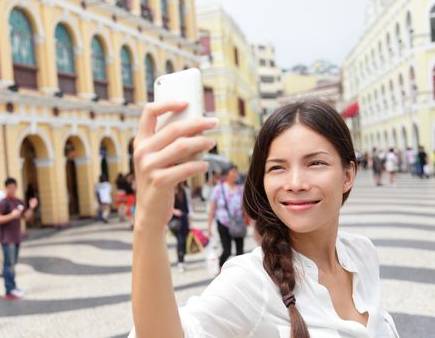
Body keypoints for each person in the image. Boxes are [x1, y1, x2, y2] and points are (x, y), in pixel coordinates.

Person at [130, 100, 399, 337]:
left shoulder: (362, 253)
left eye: (315, 163)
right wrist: (148, 225)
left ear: (348, 175)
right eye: (277, 167)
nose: (295, 183)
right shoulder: (251, 280)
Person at [0, 178, 38, 299]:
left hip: (16, 237)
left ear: (16, 187)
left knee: (13, 264)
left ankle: (13, 287)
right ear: (6, 188)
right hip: (7, 239)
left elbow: (26, 217)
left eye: (13, 187)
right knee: (8, 264)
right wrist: (11, 216)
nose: (12, 190)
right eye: (9, 188)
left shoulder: (18, 201)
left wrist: (31, 207)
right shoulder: (3, 203)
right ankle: (9, 290)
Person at [207, 165, 245, 268]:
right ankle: (220, 268)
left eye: (236, 172)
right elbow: (212, 209)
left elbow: (244, 207)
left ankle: (240, 272)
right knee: (227, 250)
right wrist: (209, 227)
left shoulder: (240, 189)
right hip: (223, 223)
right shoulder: (218, 189)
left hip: (238, 223)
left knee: (240, 252)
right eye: (233, 172)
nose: (235, 174)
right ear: (226, 174)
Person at [171, 183, 191, 273]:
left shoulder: (183, 190)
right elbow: (164, 206)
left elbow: (186, 207)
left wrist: (189, 219)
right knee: (180, 241)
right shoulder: (169, 190)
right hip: (174, 221)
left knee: (184, 241)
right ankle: (180, 262)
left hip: (183, 220)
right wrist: (173, 211)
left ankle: (182, 258)